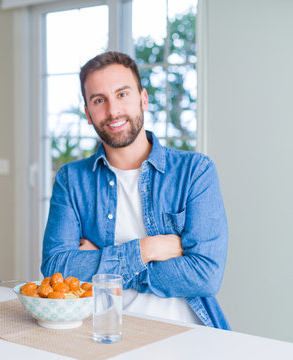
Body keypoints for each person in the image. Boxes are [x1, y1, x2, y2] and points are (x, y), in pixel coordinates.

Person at [41, 51, 230, 329]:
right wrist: (148, 249)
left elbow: (205, 275)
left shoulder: (195, 171)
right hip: (104, 331)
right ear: (88, 114)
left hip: (187, 334)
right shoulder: (71, 180)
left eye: (122, 94)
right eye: (99, 100)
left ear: (143, 99)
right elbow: (56, 267)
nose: (113, 111)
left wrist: (104, 264)